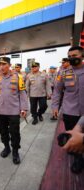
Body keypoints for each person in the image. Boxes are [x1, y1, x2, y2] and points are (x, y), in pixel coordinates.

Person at [0, 57, 28, 164]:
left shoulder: (18, 77)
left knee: (15, 133)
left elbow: (23, 94)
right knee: (3, 132)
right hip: (0, 112)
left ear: (9, 65)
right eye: (0, 64)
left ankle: (15, 151)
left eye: (4, 64)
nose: (1, 66)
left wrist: (23, 108)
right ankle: (6, 147)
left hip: (13, 112)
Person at [52, 46, 84, 174]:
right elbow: (57, 91)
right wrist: (55, 106)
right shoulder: (63, 73)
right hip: (70, 111)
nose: (72, 58)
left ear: (82, 55)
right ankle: (78, 159)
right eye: (70, 56)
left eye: (75, 55)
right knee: (72, 136)